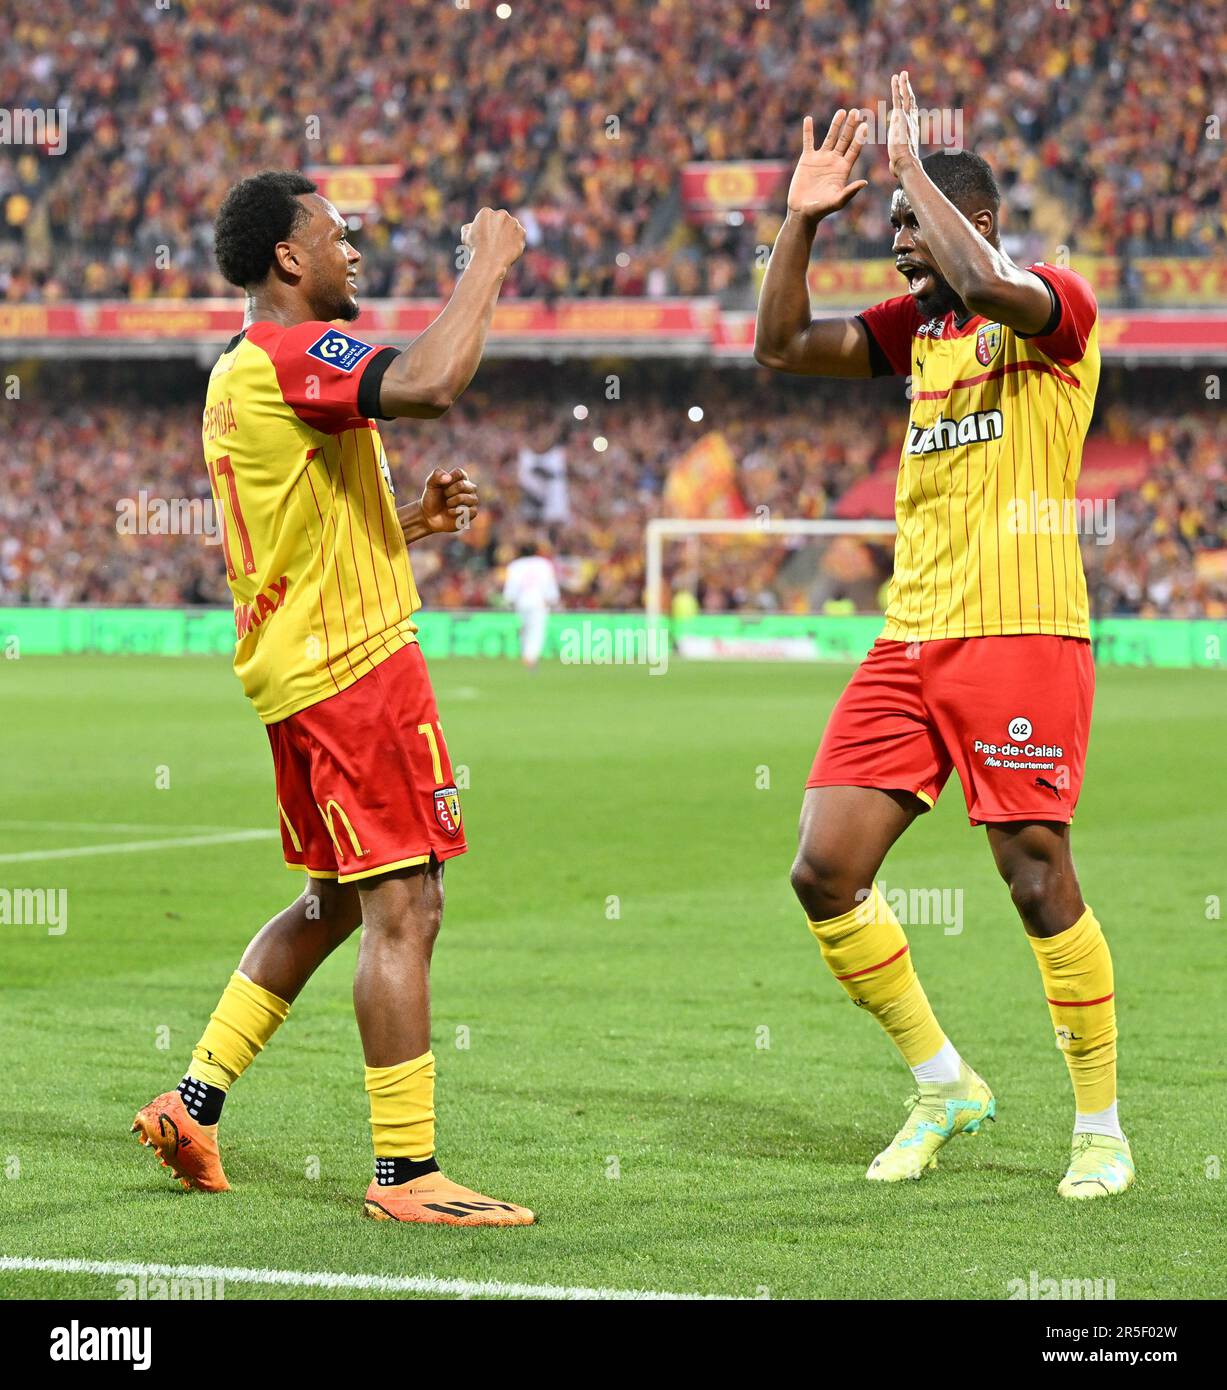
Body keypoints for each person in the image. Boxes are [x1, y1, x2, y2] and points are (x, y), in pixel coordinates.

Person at [132, 170, 536, 1225]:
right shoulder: (294, 351)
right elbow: (434, 380)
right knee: (409, 904)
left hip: (294, 670)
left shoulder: (235, 376)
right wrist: (488, 261)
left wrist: (409, 522)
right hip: (355, 673)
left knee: (334, 899)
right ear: (287, 259)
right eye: (338, 234)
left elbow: (297, 535)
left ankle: (193, 1098)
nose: (355, 251)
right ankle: (408, 1174)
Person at [754, 74, 1132, 1199]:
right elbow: (780, 344)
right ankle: (944, 1082)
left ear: (972, 219)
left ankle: (1101, 1125)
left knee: (1032, 875)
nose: (902, 250)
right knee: (825, 869)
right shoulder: (915, 332)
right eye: (892, 234)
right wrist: (801, 220)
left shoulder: (1051, 305)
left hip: (1021, 629)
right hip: (909, 638)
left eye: (911, 228)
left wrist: (920, 168)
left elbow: (980, 275)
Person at [503, 542, 560, 668]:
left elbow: (511, 586)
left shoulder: (515, 565)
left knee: (525, 629)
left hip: (521, 602)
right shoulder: (543, 564)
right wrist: (552, 599)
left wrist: (509, 600)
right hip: (539, 602)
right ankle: (530, 657)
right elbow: (549, 584)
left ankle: (526, 654)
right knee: (537, 630)